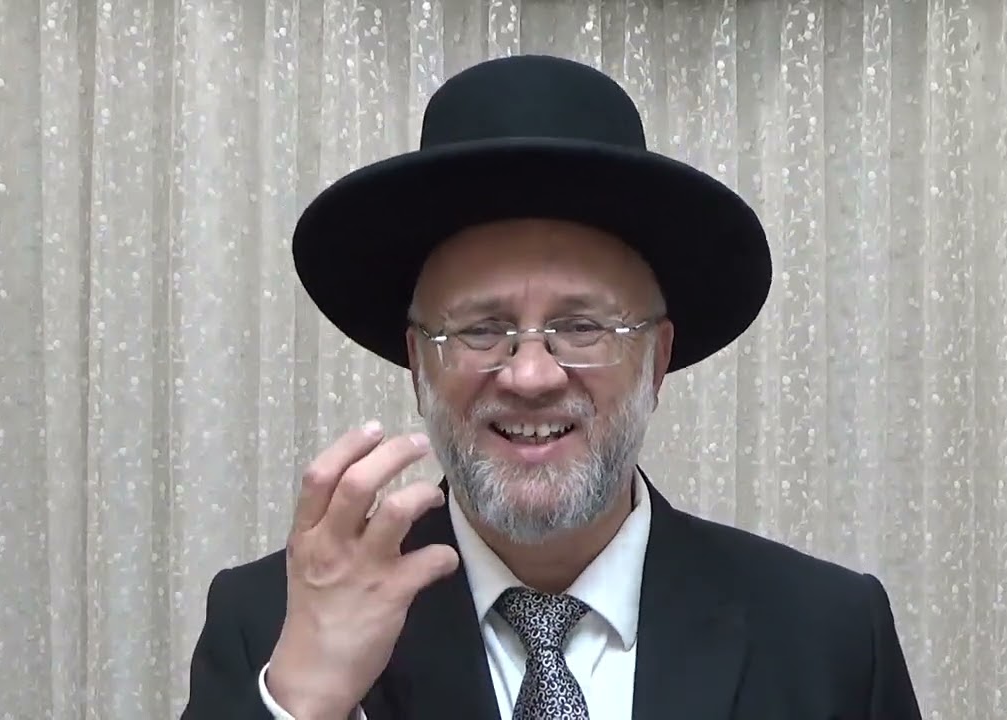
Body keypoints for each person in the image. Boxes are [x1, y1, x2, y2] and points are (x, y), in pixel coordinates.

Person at [181, 54, 922, 720]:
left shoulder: (826, 634)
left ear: (657, 360)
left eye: (582, 327)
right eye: (480, 329)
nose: (531, 375)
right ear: (417, 363)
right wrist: (304, 704)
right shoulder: (273, 626)